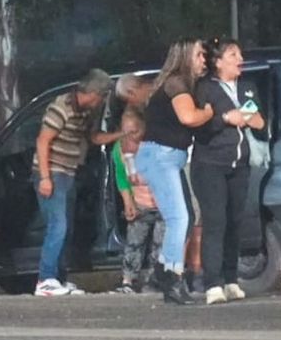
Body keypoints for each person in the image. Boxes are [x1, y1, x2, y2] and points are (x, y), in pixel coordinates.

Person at [136, 37, 215, 305]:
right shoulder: (176, 83)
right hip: (161, 156)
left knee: (187, 216)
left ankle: (163, 269)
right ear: (185, 56)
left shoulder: (179, 84)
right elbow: (189, 117)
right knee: (179, 218)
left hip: (168, 157)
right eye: (199, 55)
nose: (204, 60)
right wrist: (209, 112)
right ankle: (172, 276)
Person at [33, 69, 123, 297]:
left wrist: (121, 135)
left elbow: (93, 138)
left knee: (66, 228)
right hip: (52, 172)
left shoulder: (85, 113)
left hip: (68, 173)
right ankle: (45, 278)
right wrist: (44, 177)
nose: (101, 102)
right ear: (94, 93)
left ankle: (58, 278)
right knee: (58, 225)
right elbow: (43, 141)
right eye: (102, 97)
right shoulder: (61, 107)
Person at [191, 38, 266, 304]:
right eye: (233, 55)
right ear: (218, 62)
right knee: (215, 222)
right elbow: (199, 125)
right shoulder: (205, 88)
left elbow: (260, 121)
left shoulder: (247, 88)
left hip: (240, 165)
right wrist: (225, 119)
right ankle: (213, 283)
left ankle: (231, 280)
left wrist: (257, 122)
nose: (240, 59)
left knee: (235, 222)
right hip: (210, 164)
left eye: (240, 54)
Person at [111, 108, 164, 293]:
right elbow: (121, 177)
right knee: (134, 242)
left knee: (159, 244)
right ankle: (128, 281)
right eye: (125, 133)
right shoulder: (119, 149)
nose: (130, 137)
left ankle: (154, 280)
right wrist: (128, 202)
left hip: (162, 203)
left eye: (134, 132)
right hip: (140, 202)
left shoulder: (157, 145)